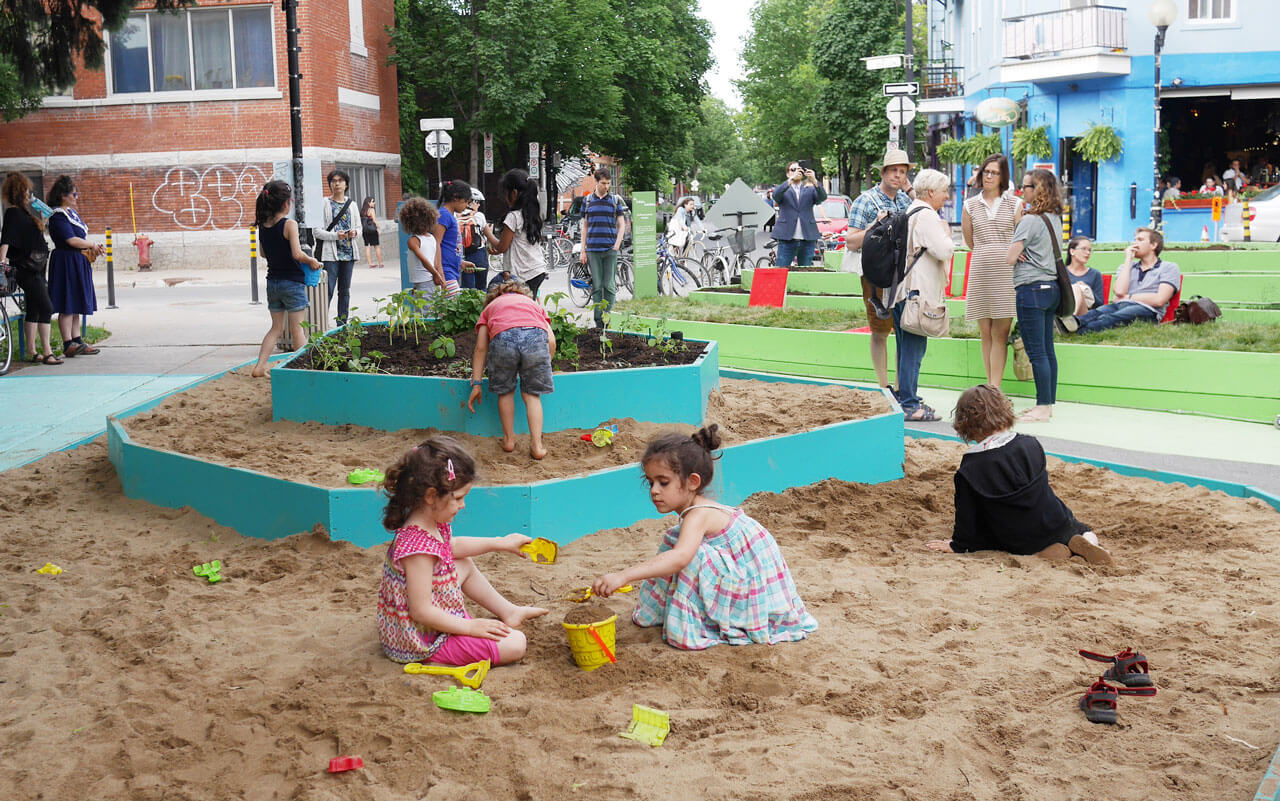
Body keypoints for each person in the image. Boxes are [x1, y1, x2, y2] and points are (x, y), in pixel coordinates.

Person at [590, 425, 818, 651]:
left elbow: (680, 558)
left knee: (686, 554)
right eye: (651, 482)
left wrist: (623, 576)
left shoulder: (698, 514)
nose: (654, 490)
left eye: (664, 482)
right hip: (741, 569)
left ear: (692, 482)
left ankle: (692, 624)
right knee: (678, 542)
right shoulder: (694, 512)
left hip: (753, 582)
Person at [376, 436, 548, 666]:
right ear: (430, 496)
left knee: (463, 563)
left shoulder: (429, 523)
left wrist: (501, 542)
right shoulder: (417, 550)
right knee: (516, 643)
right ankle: (439, 655)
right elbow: (420, 611)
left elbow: (452, 548)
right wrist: (470, 626)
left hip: (428, 620)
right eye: (458, 498)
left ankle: (509, 611)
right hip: (423, 640)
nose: (463, 505)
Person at [924, 385, 1112, 564]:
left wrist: (958, 545)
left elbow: (967, 516)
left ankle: (1045, 552)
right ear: (1003, 410)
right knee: (1082, 530)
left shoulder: (970, 468)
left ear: (965, 423)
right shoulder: (1030, 444)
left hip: (1018, 539)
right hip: (1055, 522)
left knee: (998, 528)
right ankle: (1089, 543)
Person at [466, 272, 556, 460]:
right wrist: (543, 365)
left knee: (505, 392)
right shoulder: (532, 305)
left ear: (492, 294)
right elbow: (551, 340)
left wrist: (476, 383)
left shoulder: (491, 307)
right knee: (532, 395)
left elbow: (481, 348)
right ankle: (537, 446)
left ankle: (508, 440)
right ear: (522, 290)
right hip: (535, 338)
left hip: (503, 339)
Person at [846, 148, 915, 393]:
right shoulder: (865, 200)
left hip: (901, 272)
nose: (898, 175)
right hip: (875, 273)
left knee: (903, 329)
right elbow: (851, 241)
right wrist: (876, 225)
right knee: (879, 329)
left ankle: (900, 386)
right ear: (883, 172)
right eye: (894, 170)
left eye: (902, 172)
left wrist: (910, 190)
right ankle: (884, 385)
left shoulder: (906, 201)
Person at [892, 168, 953, 423]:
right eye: (943, 191)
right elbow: (943, 250)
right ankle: (910, 404)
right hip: (917, 293)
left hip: (900, 291)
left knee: (905, 349)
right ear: (930, 192)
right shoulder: (926, 215)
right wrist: (946, 233)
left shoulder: (908, 211)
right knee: (914, 350)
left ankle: (904, 398)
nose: (947, 196)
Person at [1006, 169, 1064, 423]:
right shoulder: (1053, 218)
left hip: (1030, 289)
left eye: (1026, 187)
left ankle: (1041, 408)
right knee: (1048, 350)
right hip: (1051, 289)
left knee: (1036, 351)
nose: (1022, 191)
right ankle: (1047, 404)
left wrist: (1015, 249)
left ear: (1037, 190)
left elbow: (1009, 257)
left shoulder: (1030, 220)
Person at [250, 181, 323, 378]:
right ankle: (302, 369)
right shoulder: (289, 224)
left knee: (275, 328)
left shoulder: (263, 226)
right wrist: (312, 260)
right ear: (286, 204)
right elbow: (298, 254)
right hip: (292, 282)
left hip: (272, 282)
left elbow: (264, 254)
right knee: (298, 330)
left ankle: (259, 366)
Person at [962, 154, 1022, 389]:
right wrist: (988, 251)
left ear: (1003, 176)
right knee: (985, 331)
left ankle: (995, 388)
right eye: (986, 171)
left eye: (994, 172)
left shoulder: (1014, 203)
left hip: (1006, 270)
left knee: (1001, 330)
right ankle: (990, 385)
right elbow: (970, 240)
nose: (989, 176)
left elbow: (1020, 235)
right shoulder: (970, 205)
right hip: (981, 268)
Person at [1062, 228, 1180, 335]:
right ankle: (1067, 325)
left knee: (1112, 317)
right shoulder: (1127, 267)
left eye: (1140, 240)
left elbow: (1159, 300)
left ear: (1153, 245)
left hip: (1148, 310)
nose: (1135, 243)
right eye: (1135, 240)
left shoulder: (1168, 267)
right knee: (1096, 313)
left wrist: (1128, 297)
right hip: (1120, 305)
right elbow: (1119, 292)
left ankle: (1076, 333)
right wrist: (1128, 259)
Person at [0, 172, 59, 364]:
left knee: (34, 308)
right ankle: (48, 352)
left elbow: (31, 237)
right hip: (27, 269)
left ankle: (33, 351)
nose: (29, 194)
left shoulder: (24, 213)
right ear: (18, 191)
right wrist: (2, 266)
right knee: (47, 306)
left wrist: (42, 220)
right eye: (26, 190)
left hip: (37, 267)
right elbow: (6, 240)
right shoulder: (12, 213)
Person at [45, 175, 103, 358]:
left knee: (76, 301)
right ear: (63, 195)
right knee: (67, 302)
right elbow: (70, 239)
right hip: (66, 261)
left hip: (77, 260)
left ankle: (77, 340)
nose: (76, 197)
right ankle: (67, 342)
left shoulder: (71, 213)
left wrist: (92, 247)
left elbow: (80, 238)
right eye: (74, 194)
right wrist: (91, 245)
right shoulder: (57, 215)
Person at [483, 169, 548, 298]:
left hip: (523, 273)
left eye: (504, 193)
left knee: (518, 306)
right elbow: (518, 242)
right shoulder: (531, 214)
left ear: (514, 193)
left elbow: (502, 246)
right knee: (528, 306)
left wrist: (488, 233)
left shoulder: (513, 217)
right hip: (536, 269)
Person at [578, 169, 627, 328]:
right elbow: (584, 226)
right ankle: (599, 321)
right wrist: (582, 250)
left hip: (610, 249)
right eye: (603, 183)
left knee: (609, 285)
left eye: (608, 183)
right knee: (597, 285)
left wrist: (617, 244)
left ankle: (609, 318)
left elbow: (622, 224)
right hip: (593, 249)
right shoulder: (587, 201)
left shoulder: (614, 200)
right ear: (596, 182)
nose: (606, 186)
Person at [315, 169, 359, 325]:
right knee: (327, 290)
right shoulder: (324, 203)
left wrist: (354, 232)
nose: (337, 183)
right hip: (330, 255)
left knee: (345, 291)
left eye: (340, 180)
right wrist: (335, 236)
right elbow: (316, 231)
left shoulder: (352, 205)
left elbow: (359, 228)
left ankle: (342, 324)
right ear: (330, 185)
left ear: (346, 184)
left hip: (348, 254)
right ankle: (320, 323)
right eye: (333, 181)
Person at [770, 160, 826, 267]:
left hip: (807, 239)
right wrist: (790, 180)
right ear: (787, 173)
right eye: (793, 170)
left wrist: (814, 180)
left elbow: (822, 197)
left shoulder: (809, 189)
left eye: (799, 169)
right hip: (787, 239)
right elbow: (775, 195)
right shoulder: (783, 189)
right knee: (781, 271)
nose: (796, 172)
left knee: (805, 273)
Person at [434, 181, 474, 298]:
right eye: (466, 201)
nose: (467, 206)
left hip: (451, 271)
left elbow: (448, 245)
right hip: (445, 272)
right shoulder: (444, 215)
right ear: (456, 198)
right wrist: (440, 272)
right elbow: (436, 243)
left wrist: (460, 262)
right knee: (455, 311)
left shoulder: (449, 215)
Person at [399, 197, 443, 293]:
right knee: (433, 307)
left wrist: (436, 274)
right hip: (431, 281)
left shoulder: (413, 240)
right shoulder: (431, 238)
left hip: (425, 282)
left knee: (424, 308)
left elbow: (424, 261)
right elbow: (434, 262)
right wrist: (437, 275)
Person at [1064, 235, 1104, 318]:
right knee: (1075, 288)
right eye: (1084, 249)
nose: (1088, 253)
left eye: (1089, 250)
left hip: (1086, 314)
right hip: (1064, 308)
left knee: (1078, 288)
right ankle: (1068, 320)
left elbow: (1100, 305)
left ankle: (1070, 320)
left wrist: (1087, 290)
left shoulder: (1095, 274)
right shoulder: (1062, 273)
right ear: (1072, 251)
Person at [459, 187, 490, 290]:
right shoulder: (479, 216)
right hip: (479, 254)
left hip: (463, 255)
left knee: (467, 289)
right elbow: (487, 235)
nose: (479, 205)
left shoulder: (455, 215)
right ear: (471, 202)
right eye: (478, 203)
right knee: (481, 288)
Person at [360, 196, 384, 269]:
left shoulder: (362, 211)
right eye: (373, 201)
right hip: (372, 230)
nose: (374, 203)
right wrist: (378, 228)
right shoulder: (371, 210)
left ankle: (370, 264)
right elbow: (374, 220)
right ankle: (380, 263)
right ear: (368, 203)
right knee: (376, 246)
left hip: (365, 231)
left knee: (367, 247)